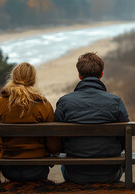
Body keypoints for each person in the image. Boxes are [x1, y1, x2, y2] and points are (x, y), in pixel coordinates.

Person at [55, 52, 129, 184]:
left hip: (75, 174)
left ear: (79, 75)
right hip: (110, 174)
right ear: (101, 74)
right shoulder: (115, 101)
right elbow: (125, 137)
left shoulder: (64, 102)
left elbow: (57, 138)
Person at [0, 62, 61, 181]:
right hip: (37, 168)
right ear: (33, 80)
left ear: (14, 78)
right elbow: (53, 146)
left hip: (8, 168)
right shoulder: (44, 105)